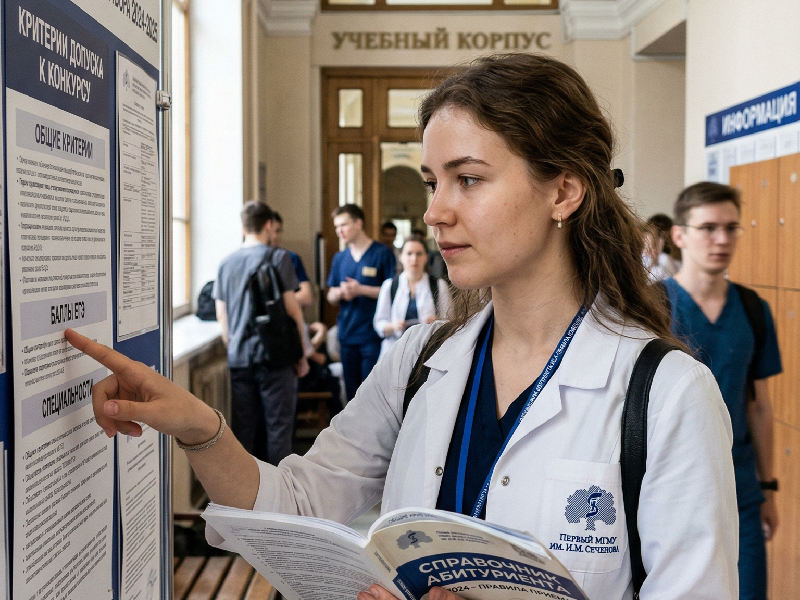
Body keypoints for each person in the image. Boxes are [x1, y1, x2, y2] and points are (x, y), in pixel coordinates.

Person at [66, 54, 737, 600]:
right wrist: (200, 429)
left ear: (563, 190)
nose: (435, 212)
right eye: (432, 183)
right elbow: (296, 505)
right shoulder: (419, 361)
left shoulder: (667, 395)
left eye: (468, 180)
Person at [663, 182, 782, 600]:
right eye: (709, 228)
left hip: (740, 492)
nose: (722, 239)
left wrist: (768, 489)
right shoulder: (653, 307)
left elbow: (759, 407)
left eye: (731, 228)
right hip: (671, 493)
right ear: (679, 235)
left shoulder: (752, 309)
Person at [212, 200, 309, 465]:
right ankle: (278, 488)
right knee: (279, 428)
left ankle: (244, 489)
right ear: (268, 225)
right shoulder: (278, 258)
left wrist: (232, 345)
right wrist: (301, 353)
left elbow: (222, 314)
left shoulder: (226, 263)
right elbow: (292, 310)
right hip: (276, 357)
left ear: (243, 228)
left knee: (243, 429)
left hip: (240, 357)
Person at [326, 204, 396, 401]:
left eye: (343, 225)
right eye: (336, 227)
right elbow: (330, 294)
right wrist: (339, 293)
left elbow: (392, 292)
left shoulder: (381, 253)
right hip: (347, 335)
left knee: (371, 395)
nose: (339, 231)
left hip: (372, 335)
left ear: (358, 223)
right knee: (351, 395)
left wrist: (361, 290)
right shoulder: (340, 258)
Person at [373, 234, 450, 358]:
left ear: (426, 257)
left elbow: (451, 321)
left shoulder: (439, 285)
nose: (414, 259)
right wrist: (393, 326)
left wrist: (437, 321)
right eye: (409, 254)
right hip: (395, 352)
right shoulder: (389, 286)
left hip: (429, 353)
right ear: (401, 257)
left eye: (419, 254)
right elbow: (379, 323)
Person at [270, 211, 313, 308]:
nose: (275, 236)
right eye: (271, 231)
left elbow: (307, 296)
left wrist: (279, 304)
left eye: (278, 231)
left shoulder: (291, 258)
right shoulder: (253, 259)